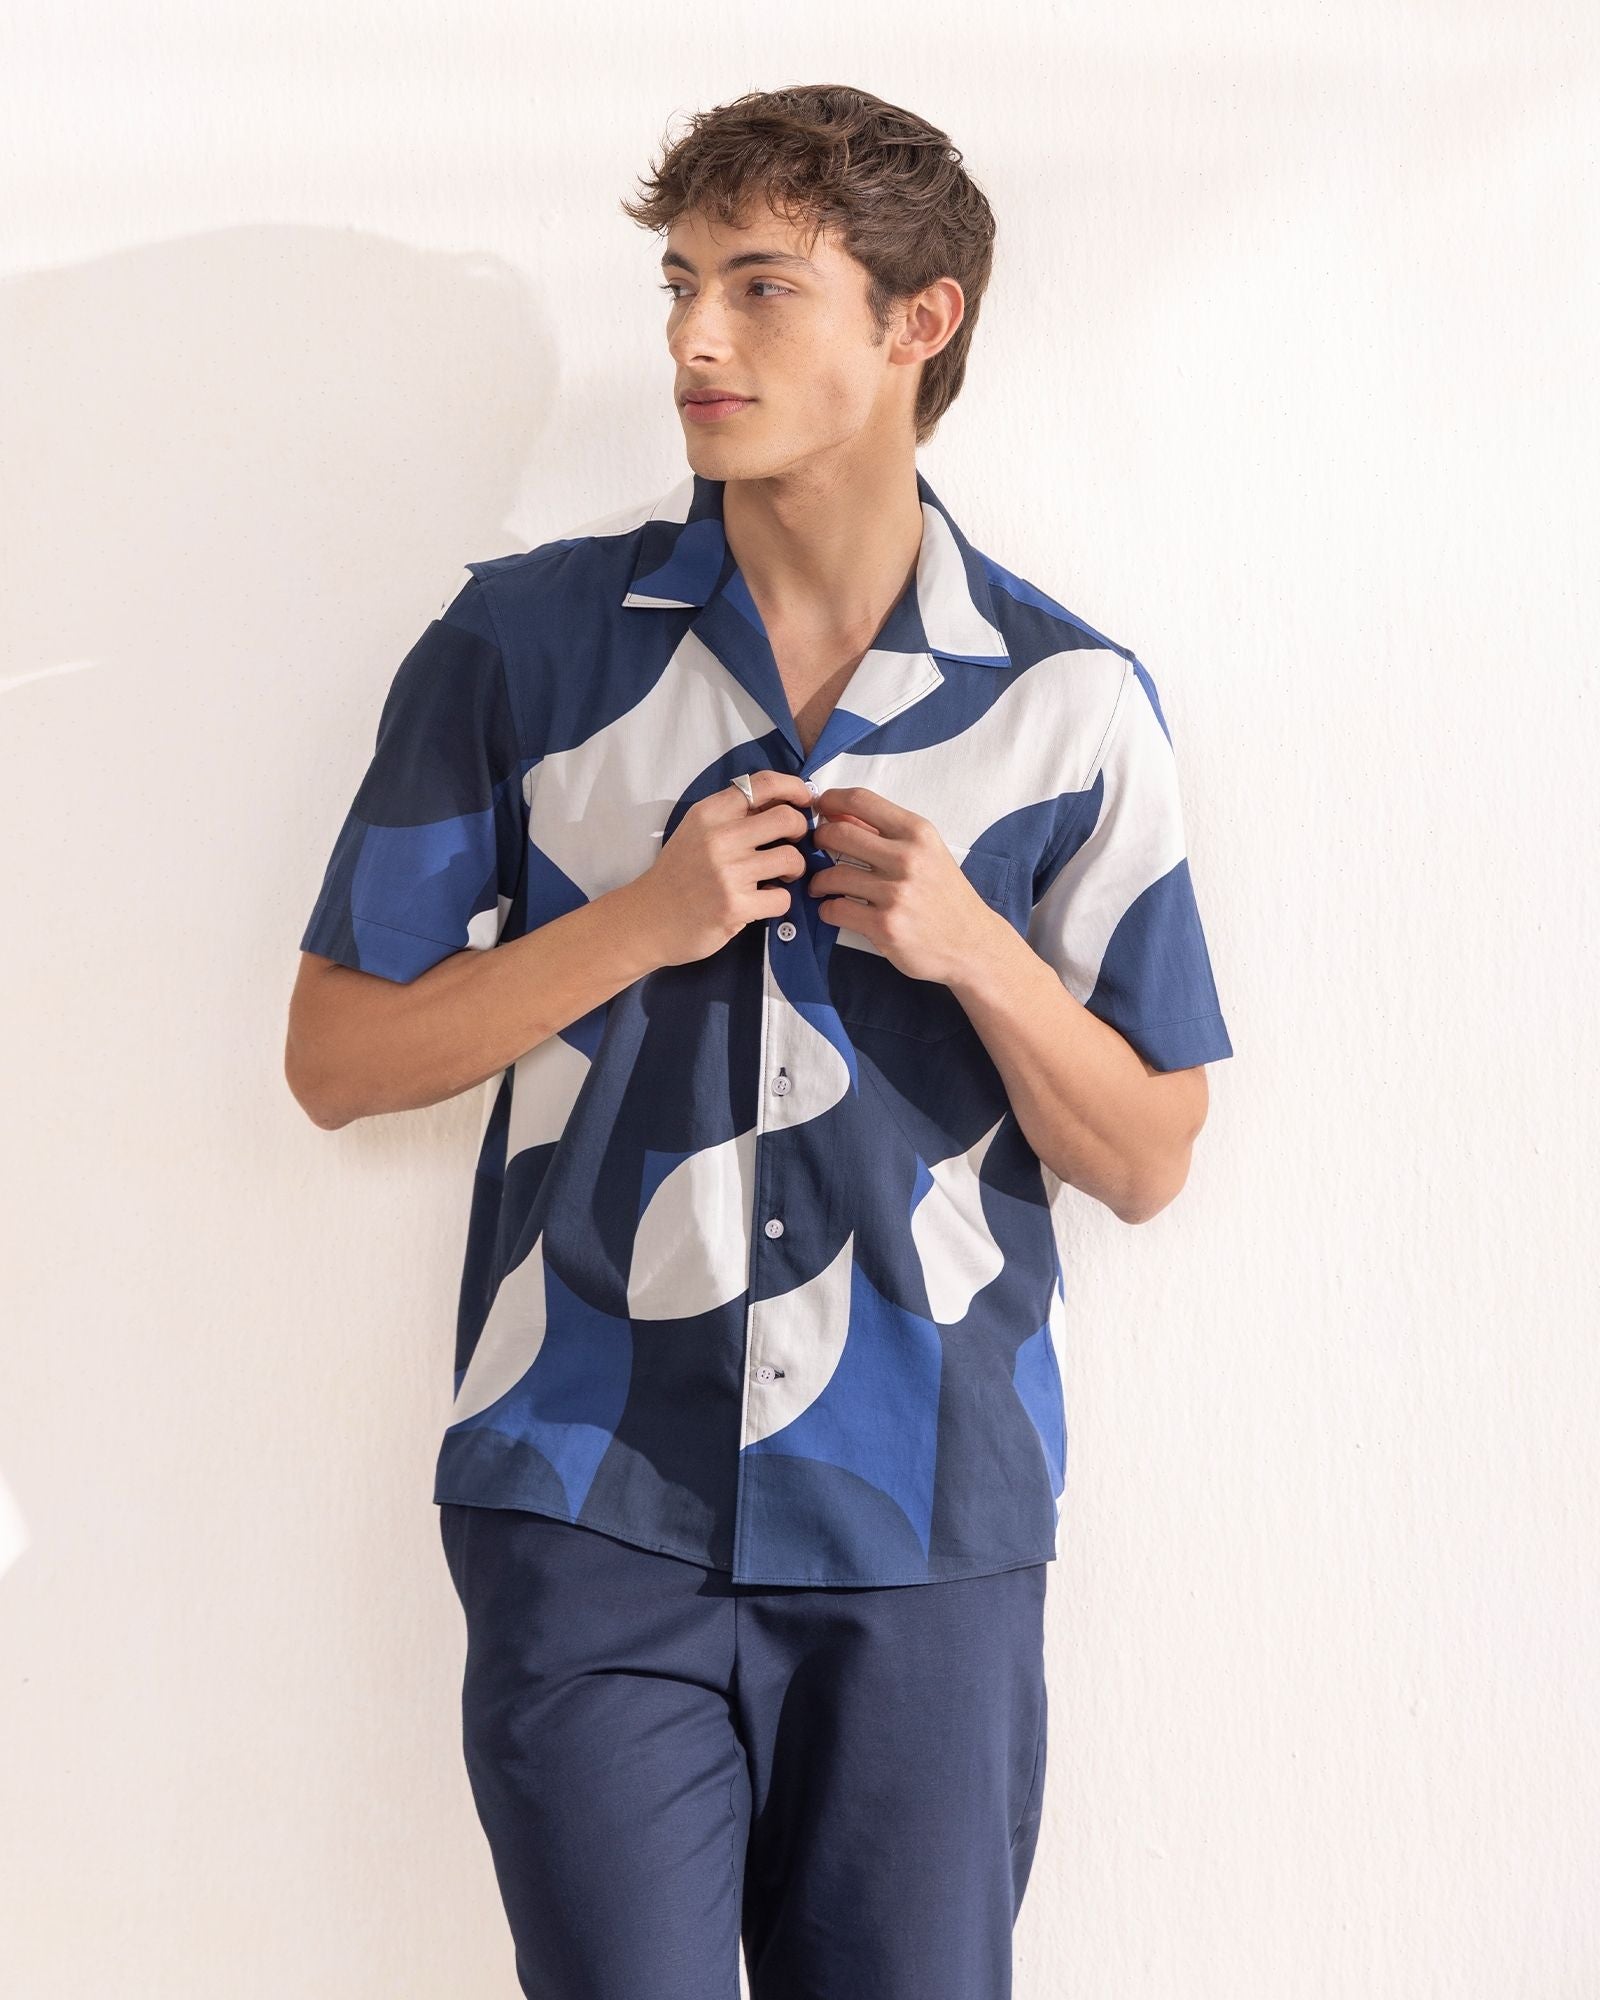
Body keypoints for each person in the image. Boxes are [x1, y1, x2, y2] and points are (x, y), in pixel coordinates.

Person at [285, 82, 1234, 2000]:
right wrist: (643, 920)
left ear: (917, 321)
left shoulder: (1067, 703)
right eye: (680, 286)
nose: (694, 343)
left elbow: (1146, 1155)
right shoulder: (523, 647)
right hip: (585, 1496)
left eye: (761, 287)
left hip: (932, 1516)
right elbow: (338, 1059)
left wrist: (974, 949)